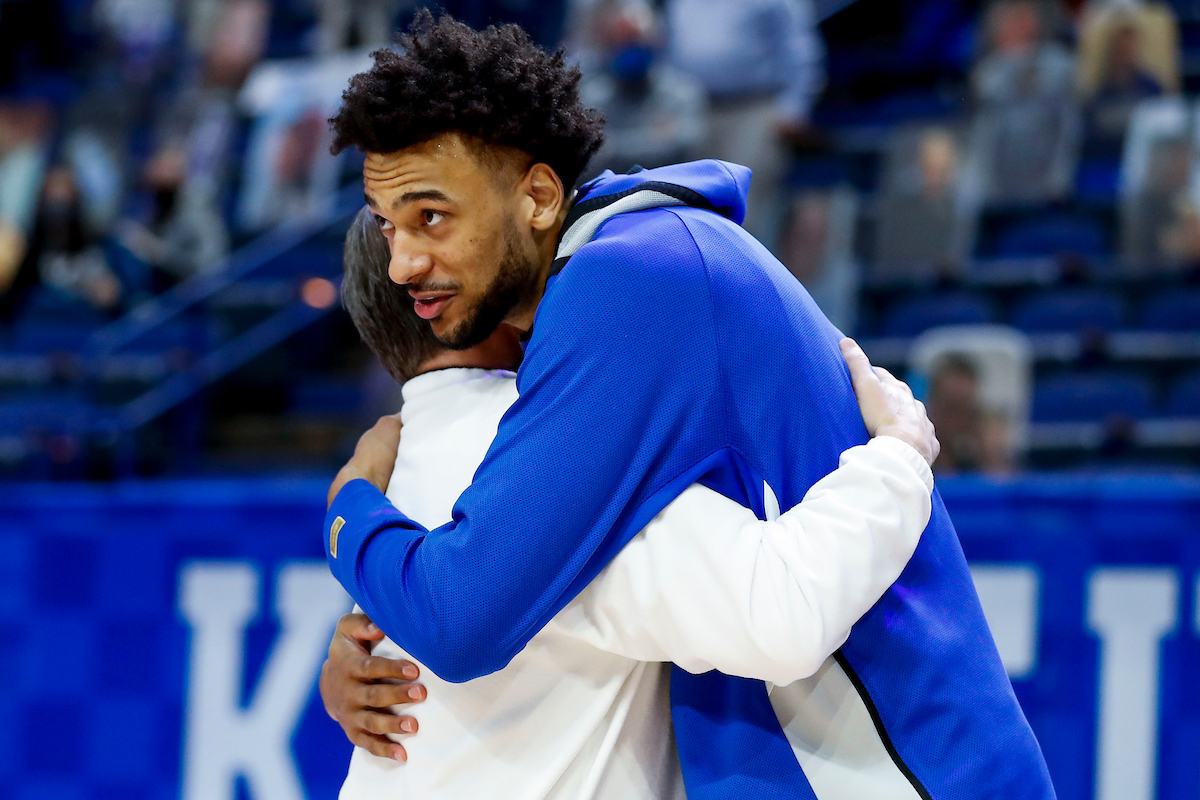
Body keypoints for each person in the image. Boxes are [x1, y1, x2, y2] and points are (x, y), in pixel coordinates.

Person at [322, 14, 1053, 799]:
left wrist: (348, 510)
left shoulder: (626, 285)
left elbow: (462, 615)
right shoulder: (637, 259)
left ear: (537, 196)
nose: (402, 262)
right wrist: (369, 633)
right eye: (388, 226)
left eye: (431, 217)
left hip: (899, 773)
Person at [322, 206, 938, 798]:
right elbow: (785, 610)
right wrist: (899, 459)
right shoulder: (556, 458)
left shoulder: (388, 465)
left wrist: (344, 506)